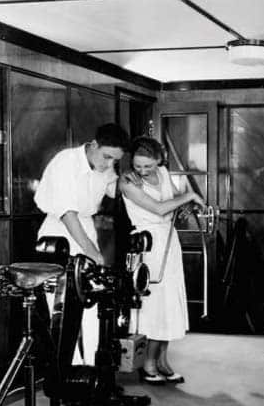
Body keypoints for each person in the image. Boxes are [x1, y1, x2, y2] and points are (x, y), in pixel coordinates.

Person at [35, 123, 130, 365]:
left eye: (115, 160)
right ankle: (68, 375)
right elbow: (67, 213)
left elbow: (112, 189)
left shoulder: (104, 164)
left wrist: (130, 180)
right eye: (107, 157)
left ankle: (91, 372)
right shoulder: (65, 162)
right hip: (59, 233)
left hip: (86, 228)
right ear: (94, 145)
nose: (109, 164)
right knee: (62, 309)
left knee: (92, 304)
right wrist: (91, 250)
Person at [120, 136, 205, 384]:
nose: (143, 171)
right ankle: (147, 364)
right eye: (138, 166)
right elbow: (159, 209)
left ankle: (163, 362)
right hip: (148, 244)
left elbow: (173, 200)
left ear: (159, 160)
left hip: (170, 240)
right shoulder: (127, 182)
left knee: (170, 303)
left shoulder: (165, 173)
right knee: (154, 304)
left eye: (148, 166)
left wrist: (185, 204)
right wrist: (188, 197)